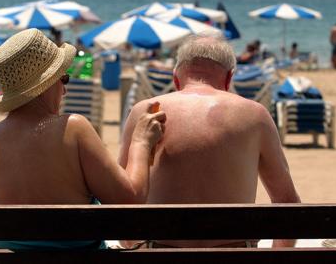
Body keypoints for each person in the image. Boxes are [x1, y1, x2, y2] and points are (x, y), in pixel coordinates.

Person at [0, 29, 166, 250]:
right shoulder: (72, 128)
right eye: (64, 79)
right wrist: (141, 142)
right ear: (46, 85)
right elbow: (130, 203)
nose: (65, 90)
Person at [119, 35, 301, 249]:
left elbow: (120, 201)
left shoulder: (145, 112)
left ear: (176, 79)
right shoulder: (255, 115)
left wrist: (133, 246)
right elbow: (288, 205)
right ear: (228, 79)